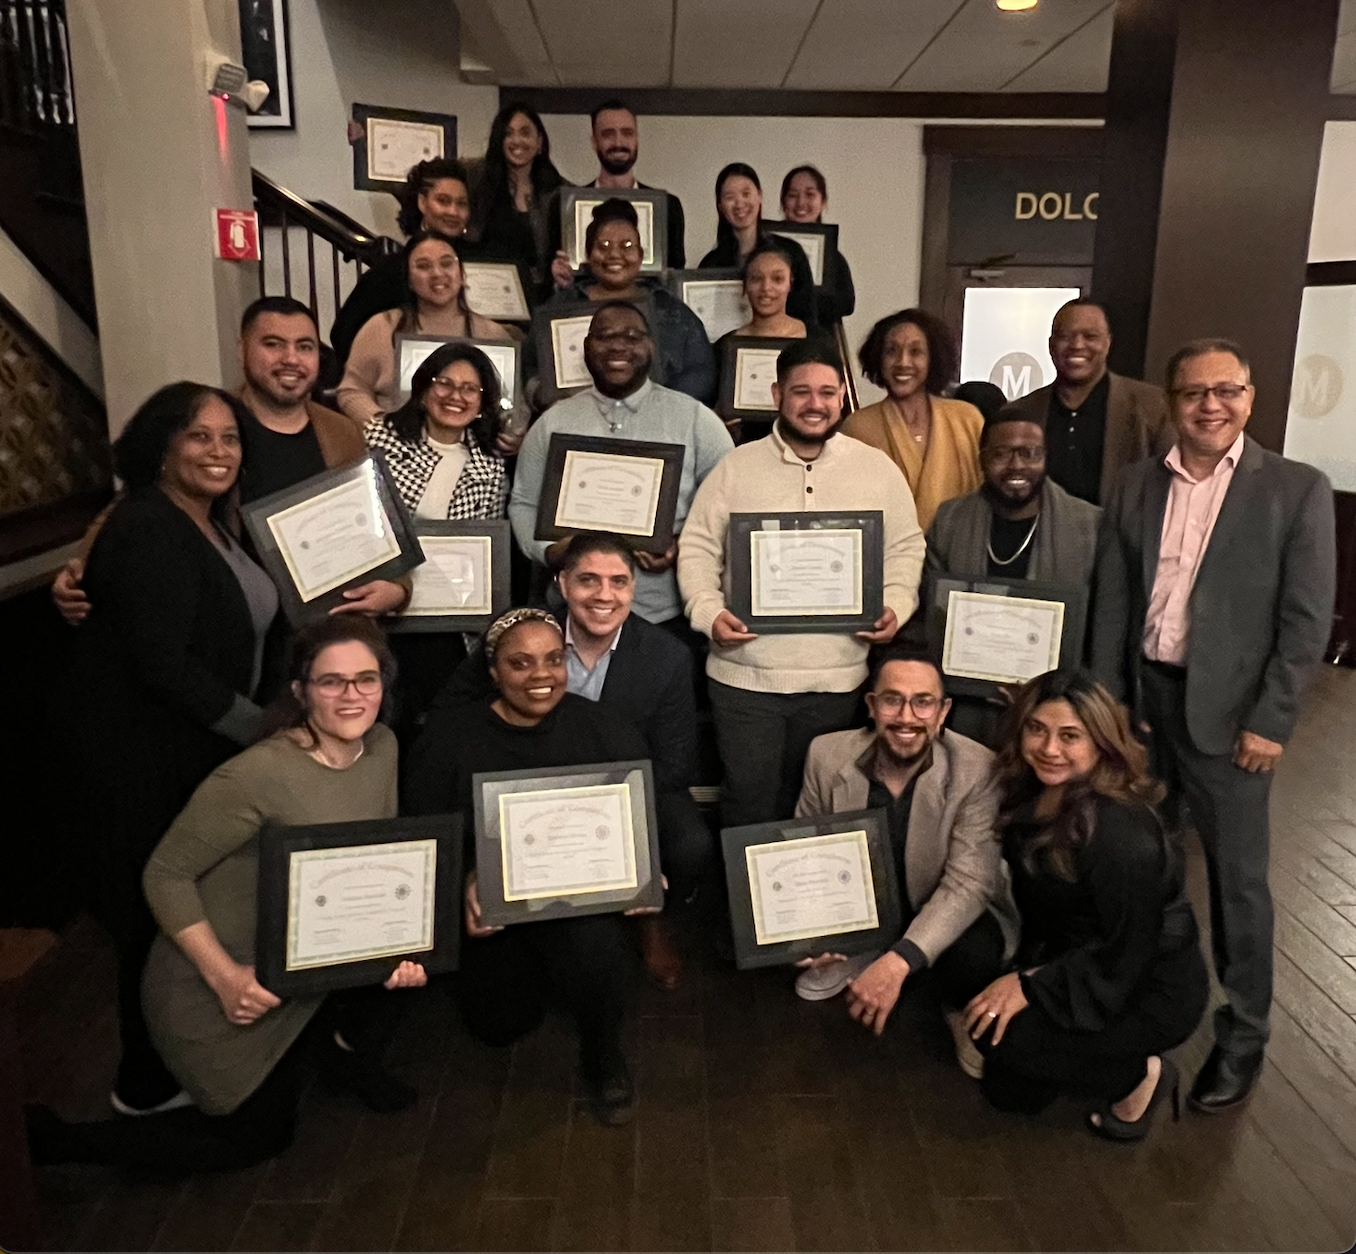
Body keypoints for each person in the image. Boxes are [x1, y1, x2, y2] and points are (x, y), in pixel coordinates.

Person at [28, 619, 429, 1171]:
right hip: (222, 985)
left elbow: (364, 857)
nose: (352, 695)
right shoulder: (254, 776)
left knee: (412, 971)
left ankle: (342, 1058)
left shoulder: (382, 746)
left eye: (366, 679)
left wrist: (390, 946)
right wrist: (225, 978)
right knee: (259, 1136)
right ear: (300, 691)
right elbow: (163, 874)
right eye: (331, 682)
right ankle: (53, 1143)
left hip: (300, 959)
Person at [1091, 338, 1336, 1112]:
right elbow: (1115, 603)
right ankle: (1139, 1001)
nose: (1210, 405)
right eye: (1194, 393)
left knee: (1239, 886)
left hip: (1233, 722)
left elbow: (1304, 622)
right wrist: (1105, 708)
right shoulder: (1135, 485)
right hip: (1143, 705)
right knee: (1136, 865)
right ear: (1171, 401)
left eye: (1226, 390)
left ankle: (1244, 1034)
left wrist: (1273, 719)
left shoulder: (1295, 489)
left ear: (1251, 397)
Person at [47, 382, 279, 1116]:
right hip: (143, 758)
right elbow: (162, 662)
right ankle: (144, 1085)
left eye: (230, 439)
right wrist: (258, 728)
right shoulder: (147, 527)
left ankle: (181, 1056)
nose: (218, 451)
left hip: (193, 748)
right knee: (150, 914)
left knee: (179, 910)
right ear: (161, 446)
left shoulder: (212, 522)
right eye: (199, 436)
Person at [422, 533, 713, 989]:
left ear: (634, 588)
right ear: (562, 583)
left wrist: (616, 820)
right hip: (526, 783)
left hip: (625, 789)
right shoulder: (527, 635)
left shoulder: (666, 656)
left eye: (619, 582)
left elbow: (675, 761)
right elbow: (448, 713)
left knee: (691, 843)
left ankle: (651, 921)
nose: (604, 595)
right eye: (588, 580)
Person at [404, 609, 655, 1125]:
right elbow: (424, 838)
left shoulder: (604, 728)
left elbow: (637, 821)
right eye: (520, 663)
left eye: (553, 660)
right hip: (497, 910)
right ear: (493, 671)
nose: (540, 676)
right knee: (499, 1027)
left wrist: (647, 871)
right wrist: (465, 883)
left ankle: (604, 1058)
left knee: (602, 957)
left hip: (580, 904)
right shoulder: (450, 740)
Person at [677, 339, 926, 826]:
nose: (815, 404)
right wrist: (707, 613)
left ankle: (808, 904)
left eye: (827, 393)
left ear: (842, 398)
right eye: (801, 392)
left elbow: (905, 546)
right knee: (748, 805)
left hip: (839, 678)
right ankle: (743, 904)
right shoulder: (736, 466)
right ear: (777, 395)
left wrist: (896, 603)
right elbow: (698, 547)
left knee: (824, 809)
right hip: (745, 679)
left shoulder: (876, 468)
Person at [52, 297, 410, 628]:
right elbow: (138, 498)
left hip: (322, 629)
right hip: (230, 628)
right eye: (272, 344)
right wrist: (80, 566)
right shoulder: (211, 425)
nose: (291, 359)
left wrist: (399, 588)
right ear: (242, 351)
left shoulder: (342, 431)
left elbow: (377, 525)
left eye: (305, 347)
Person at [964, 670, 1208, 1140]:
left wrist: (1033, 984)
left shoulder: (1120, 835)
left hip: (1145, 984)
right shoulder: (1035, 789)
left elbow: (1127, 954)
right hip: (1077, 957)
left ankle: (1142, 1077)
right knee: (1009, 1096)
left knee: (995, 1034)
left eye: (1070, 736)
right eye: (1037, 729)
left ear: (1101, 741)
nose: (1049, 749)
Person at [794, 653, 1020, 1079]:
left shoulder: (978, 769)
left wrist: (899, 962)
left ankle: (951, 1004)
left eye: (923, 702)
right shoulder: (827, 754)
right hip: (863, 901)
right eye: (893, 701)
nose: (907, 716)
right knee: (806, 978)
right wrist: (808, 930)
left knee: (977, 956)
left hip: (938, 900)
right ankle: (868, 949)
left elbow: (970, 883)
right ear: (871, 705)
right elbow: (806, 849)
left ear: (943, 711)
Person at [511, 301, 732, 630]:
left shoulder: (696, 419)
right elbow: (524, 502)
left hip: (666, 612)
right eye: (605, 336)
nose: (618, 345)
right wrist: (551, 552)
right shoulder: (552, 422)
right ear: (586, 348)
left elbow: (728, 503)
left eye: (632, 337)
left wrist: (681, 547)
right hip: (572, 611)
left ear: (651, 347)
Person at [925, 405, 1103, 744]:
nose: (1017, 466)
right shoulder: (950, 521)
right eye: (1002, 454)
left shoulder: (1090, 527)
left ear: (1046, 457)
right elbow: (933, 617)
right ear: (982, 458)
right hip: (966, 705)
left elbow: (1100, 626)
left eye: (1030, 453)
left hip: (1056, 710)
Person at [363, 341, 511, 738]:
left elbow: (487, 551)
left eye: (469, 389)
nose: (455, 396)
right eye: (444, 383)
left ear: (482, 404)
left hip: (449, 613)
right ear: (425, 389)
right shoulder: (382, 438)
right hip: (383, 604)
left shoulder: (491, 465)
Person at [529, 199, 715, 404]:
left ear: (641, 255)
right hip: (575, 421)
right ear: (588, 255)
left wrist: (663, 407)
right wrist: (546, 397)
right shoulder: (561, 306)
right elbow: (531, 368)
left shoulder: (670, 309)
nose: (615, 254)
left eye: (627, 246)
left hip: (658, 427)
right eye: (604, 246)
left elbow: (701, 371)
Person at [336, 230, 513, 429]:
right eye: (423, 266)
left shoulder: (493, 334)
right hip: (396, 452)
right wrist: (383, 427)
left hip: (476, 454)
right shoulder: (382, 327)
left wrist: (512, 430)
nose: (437, 273)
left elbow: (511, 405)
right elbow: (350, 391)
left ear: (463, 274)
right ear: (409, 280)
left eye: (447, 263)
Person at [1001, 299, 1170, 505]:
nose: (1077, 345)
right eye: (1065, 337)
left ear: (1107, 343)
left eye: (1090, 336)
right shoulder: (1022, 410)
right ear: (1051, 345)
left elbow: (1169, 483)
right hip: (1042, 533)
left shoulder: (1152, 407)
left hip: (1120, 533)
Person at [331, 158, 488, 366]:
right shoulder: (390, 271)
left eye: (461, 204)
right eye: (443, 201)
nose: (453, 212)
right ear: (422, 203)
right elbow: (343, 335)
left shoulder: (484, 266)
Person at [842, 308, 983, 532]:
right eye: (891, 351)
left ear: (933, 358)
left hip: (959, 559)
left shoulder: (967, 419)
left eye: (916, 352)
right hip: (888, 558)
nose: (903, 362)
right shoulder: (858, 427)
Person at [548, 99, 687, 285]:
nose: (618, 142)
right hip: (586, 311)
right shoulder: (564, 206)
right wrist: (558, 278)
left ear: (637, 139)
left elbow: (674, 277)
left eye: (627, 133)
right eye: (608, 134)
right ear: (594, 142)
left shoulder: (669, 207)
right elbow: (553, 275)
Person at [465, 101, 568, 296]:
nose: (517, 141)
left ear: (539, 142)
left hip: (542, 298)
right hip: (487, 295)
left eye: (525, 132)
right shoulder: (478, 184)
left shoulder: (559, 192)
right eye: (508, 133)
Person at [699, 163, 817, 328]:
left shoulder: (790, 252)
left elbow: (807, 317)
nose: (739, 203)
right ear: (720, 205)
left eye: (746, 194)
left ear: (760, 196)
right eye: (730, 197)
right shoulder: (711, 263)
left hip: (785, 347)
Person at [779, 164, 855, 327]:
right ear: (783, 202)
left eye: (810, 194)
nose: (801, 203)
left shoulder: (833, 258)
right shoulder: (767, 251)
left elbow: (847, 303)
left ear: (823, 202)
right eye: (793, 195)